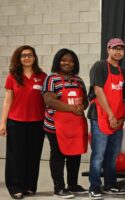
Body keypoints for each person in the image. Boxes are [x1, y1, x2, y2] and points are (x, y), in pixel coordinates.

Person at [0, 45, 47, 199]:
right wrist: (2, 122)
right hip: (16, 122)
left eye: (30, 55)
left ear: (34, 57)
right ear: (19, 59)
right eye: (23, 55)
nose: (27, 58)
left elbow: (47, 100)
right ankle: (15, 187)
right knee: (16, 156)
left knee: (33, 155)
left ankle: (29, 185)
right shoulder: (13, 76)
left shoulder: (42, 76)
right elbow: (7, 101)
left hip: (37, 123)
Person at [43, 48, 89, 199]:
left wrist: (82, 106)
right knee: (58, 155)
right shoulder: (52, 79)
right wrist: (71, 108)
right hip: (56, 125)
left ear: (74, 63)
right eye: (63, 60)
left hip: (76, 125)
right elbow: (49, 100)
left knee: (74, 155)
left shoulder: (78, 80)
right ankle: (59, 188)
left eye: (70, 60)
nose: (67, 63)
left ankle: (73, 185)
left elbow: (86, 100)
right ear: (58, 61)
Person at [87, 38, 125, 199]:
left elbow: (124, 98)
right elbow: (98, 91)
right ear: (108, 49)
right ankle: (94, 186)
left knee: (113, 155)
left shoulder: (123, 71)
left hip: (117, 119)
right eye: (115, 48)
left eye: (121, 49)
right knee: (98, 155)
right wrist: (110, 115)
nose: (118, 51)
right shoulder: (100, 66)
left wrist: (121, 118)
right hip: (100, 117)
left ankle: (110, 185)